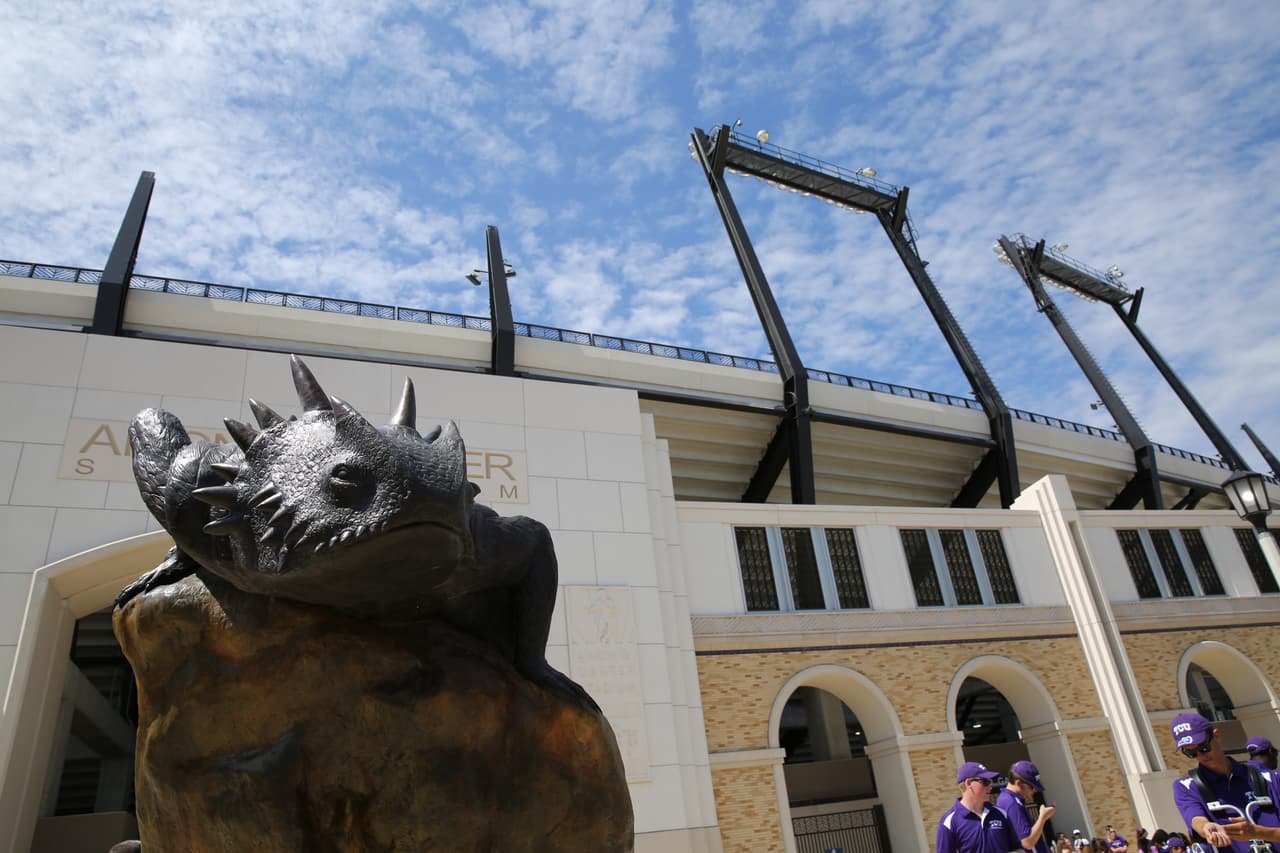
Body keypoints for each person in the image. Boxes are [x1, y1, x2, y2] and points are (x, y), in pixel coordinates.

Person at [1170, 710, 1280, 850]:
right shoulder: (1186, 787)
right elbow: (1195, 818)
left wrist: (1257, 832)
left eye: (1203, 748)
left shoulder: (1267, 777)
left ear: (1216, 735)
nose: (1200, 756)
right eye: (1190, 753)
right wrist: (1206, 827)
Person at [938, 760, 1023, 852]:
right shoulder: (949, 822)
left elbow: (1018, 848)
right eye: (985, 782)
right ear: (969, 783)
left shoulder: (1001, 814)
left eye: (990, 782)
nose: (990, 787)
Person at [996, 759, 1057, 852]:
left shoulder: (1011, 800)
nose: (1035, 791)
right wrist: (1042, 817)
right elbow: (1027, 842)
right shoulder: (1010, 802)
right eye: (1032, 787)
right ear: (1019, 783)